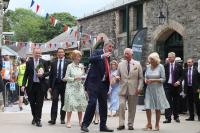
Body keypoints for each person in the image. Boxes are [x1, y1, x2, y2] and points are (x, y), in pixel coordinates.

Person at [81, 40, 114, 132]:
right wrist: (102, 56)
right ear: (105, 46)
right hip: (94, 83)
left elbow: (106, 69)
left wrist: (109, 84)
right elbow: (90, 59)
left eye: (112, 47)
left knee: (103, 105)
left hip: (104, 84)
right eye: (110, 47)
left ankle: (103, 126)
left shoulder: (108, 57)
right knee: (92, 102)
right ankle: (84, 125)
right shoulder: (98, 52)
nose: (111, 49)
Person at [115, 48, 143, 131]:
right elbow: (117, 75)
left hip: (133, 89)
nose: (126, 55)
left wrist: (139, 87)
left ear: (132, 54)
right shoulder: (120, 64)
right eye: (125, 54)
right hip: (122, 89)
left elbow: (141, 78)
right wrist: (117, 77)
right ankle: (121, 124)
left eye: (127, 54)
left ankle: (130, 124)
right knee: (121, 105)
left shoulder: (137, 64)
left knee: (132, 108)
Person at [21, 48, 49, 127]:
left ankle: (38, 120)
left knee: (39, 104)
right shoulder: (29, 62)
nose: (38, 55)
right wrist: (23, 85)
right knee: (32, 103)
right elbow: (26, 75)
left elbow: (48, 72)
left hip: (40, 85)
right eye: (36, 53)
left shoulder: (44, 62)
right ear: (33, 53)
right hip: (31, 86)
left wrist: (42, 74)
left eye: (39, 53)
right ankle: (34, 117)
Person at [143, 52, 170, 131]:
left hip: (158, 89)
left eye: (152, 59)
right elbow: (145, 76)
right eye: (150, 59)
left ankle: (157, 124)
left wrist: (153, 80)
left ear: (156, 59)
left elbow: (163, 79)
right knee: (147, 106)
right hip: (149, 89)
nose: (150, 60)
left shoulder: (160, 66)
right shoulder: (148, 67)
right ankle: (149, 123)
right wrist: (145, 80)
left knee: (157, 108)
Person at [62, 50, 87, 128]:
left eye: (80, 56)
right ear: (74, 57)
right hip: (71, 87)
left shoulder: (81, 66)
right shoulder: (70, 66)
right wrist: (74, 78)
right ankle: (68, 121)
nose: (79, 58)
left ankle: (80, 121)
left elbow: (83, 76)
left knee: (80, 105)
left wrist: (83, 79)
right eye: (78, 56)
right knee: (70, 104)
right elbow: (66, 78)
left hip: (79, 87)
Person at [48, 48, 70, 125]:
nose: (60, 53)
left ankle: (62, 118)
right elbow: (51, 75)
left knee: (64, 102)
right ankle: (53, 119)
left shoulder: (68, 63)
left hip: (65, 84)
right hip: (56, 85)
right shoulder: (53, 63)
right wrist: (50, 86)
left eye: (62, 52)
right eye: (59, 52)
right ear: (57, 54)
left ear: (64, 53)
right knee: (54, 100)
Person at [163, 52, 183, 123]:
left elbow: (182, 76)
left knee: (176, 102)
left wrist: (178, 81)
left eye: (170, 57)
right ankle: (168, 118)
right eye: (168, 57)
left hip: (176, 86)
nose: (169, 58)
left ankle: (176, 116)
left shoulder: (179, 65)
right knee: (167, 102)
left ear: (174, 57)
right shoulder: (165, 65)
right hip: (168, 86)